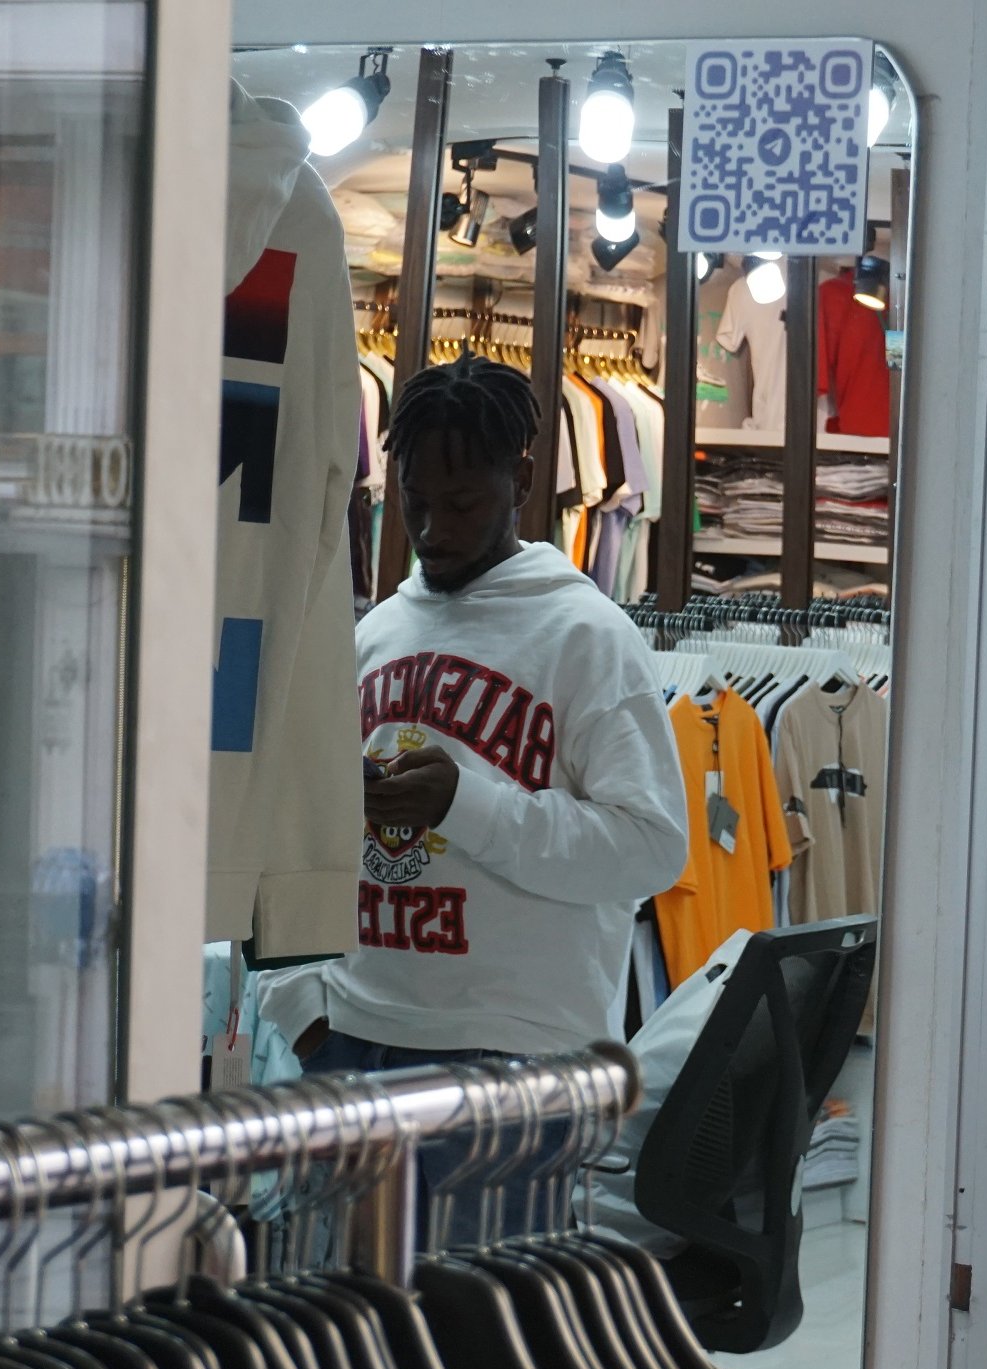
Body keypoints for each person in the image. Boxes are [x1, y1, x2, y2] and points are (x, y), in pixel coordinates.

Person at [259, 353, 687, 1244]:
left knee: (472, 1356)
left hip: (514, 1057)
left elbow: (652, 846)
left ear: (522, 482)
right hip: (353, 1038)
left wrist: (468, 805)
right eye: (415, 500)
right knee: (356, 1346)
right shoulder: (377, 631)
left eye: (461, 505)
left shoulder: (587, 637)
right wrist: (302, 1008)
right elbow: (306, 825)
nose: (432, 530)